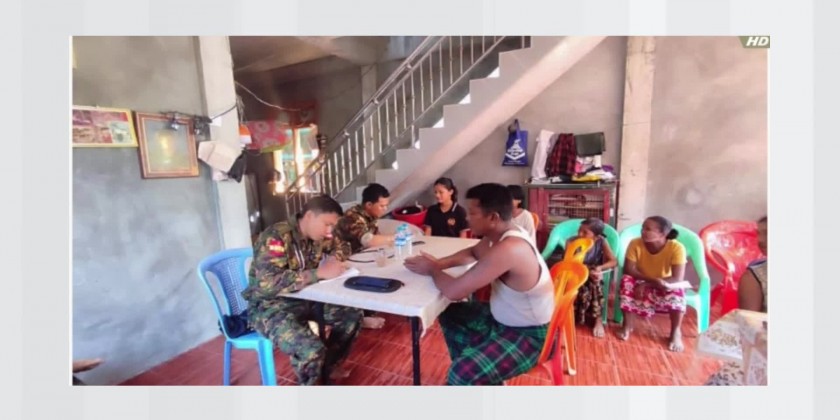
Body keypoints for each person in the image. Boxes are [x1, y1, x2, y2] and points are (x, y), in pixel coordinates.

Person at [404, 183, 554, 385]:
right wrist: (439, 263)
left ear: (493, 217)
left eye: (473, 213)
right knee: (450, 313)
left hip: (528, 335)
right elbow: (474, 252)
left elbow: (454, 291)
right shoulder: (501, 234)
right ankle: (482, 377)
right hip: (504, 318)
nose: (467, 218)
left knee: (461, 373)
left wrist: (432, 269)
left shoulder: (510, 248)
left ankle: (471, 377)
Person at [241, 195, 361, 385]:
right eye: (327, 224)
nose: (330, 231)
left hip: (305, 298)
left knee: (351, 316)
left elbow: (342, 247)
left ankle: (328, 366)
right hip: (270, 306)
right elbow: (267, 283)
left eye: (333, 226)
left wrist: (335, 259)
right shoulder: (276, 237)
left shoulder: (318, 236)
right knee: (310, 349)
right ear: (309, 216)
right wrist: (317, 273)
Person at [706, 215, 768, 386]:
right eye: (759, 233)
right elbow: (750, 329)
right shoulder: (756, 276)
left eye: (768, 233)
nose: (760, 240)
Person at [618, 216, 688, 352]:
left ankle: (675, 331)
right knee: (626, 281)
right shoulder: (635, 243)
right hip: (641, 279)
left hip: (664, 282)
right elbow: (629, 269)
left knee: (678, 290)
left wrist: (648, 284)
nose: (643, 231)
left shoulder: (677, 248)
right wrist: (648, 281)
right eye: (643, 228)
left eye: (648, 229)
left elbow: (677, 278)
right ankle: (627, 325)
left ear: (663, 233)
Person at [334, 183, 395, 329]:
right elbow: (369, 241)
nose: (385, 209)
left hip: (360, 256)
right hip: (343, 259)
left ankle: (368, 309)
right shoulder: (353, 217)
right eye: (382, 206)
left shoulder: (370, 216)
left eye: (386, 205)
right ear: (368, 204)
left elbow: (378, 237)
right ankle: (361, 317)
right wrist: (395, 237)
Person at [567, 218, 617, 338]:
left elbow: (613, 261)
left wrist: (600, 268)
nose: (580, 234)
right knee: (577, 283)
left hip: (592, 271)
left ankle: (598, 320)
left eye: (585, 232)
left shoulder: (601, 241)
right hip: (574, 269)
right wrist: (584, 272)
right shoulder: (571, 241)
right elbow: (568, 262)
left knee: (595, 282)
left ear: (596, 236)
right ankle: (569, 315)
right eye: (579, 230)